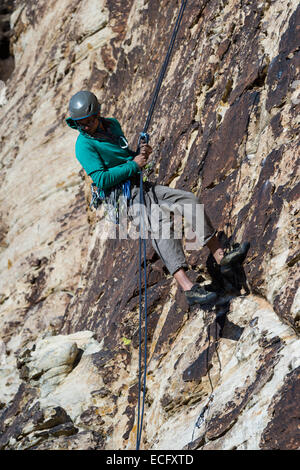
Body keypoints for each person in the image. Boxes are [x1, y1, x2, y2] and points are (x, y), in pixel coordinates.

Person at [66, 91, 249, 306]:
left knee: (187, 200)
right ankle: (188, 288)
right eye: (80, 124)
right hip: (123, 197)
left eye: (88, 122)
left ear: (98, 115)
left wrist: (140, 153)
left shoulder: (112, 125)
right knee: (160, 227)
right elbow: (102, 179)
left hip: (140, 184)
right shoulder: (83, 146)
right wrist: (134, 164)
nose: (85, 127)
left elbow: (125, 157)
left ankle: (220, 257)